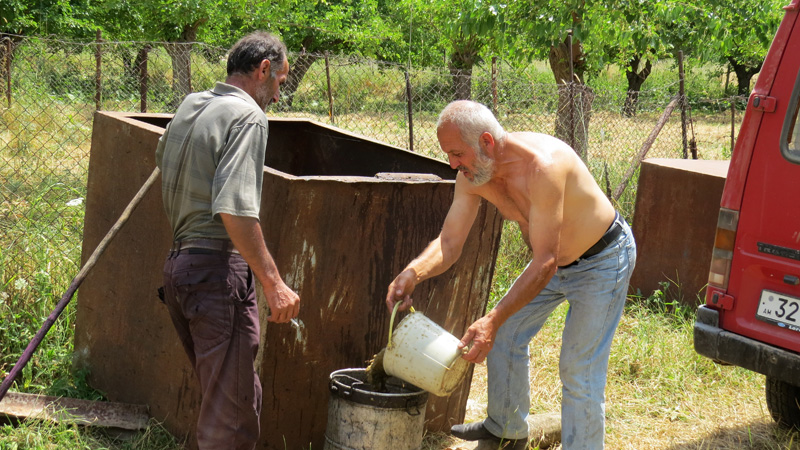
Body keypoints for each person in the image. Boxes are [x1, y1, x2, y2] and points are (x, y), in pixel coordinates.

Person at [385, 100, 636, 450]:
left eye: (457, 153)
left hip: (602, 259)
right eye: (448, 155)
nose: (453, 164)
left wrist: (492, 319)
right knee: (504, 332)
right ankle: (507, 433)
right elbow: (449, 242)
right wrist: (413, 272)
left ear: (487, 142)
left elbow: (545, 261)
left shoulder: (543, 167)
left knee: (578, 371)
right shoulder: (472, 176)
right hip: (552, 264)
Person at [155, 31, 300, 450]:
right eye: (280, 82)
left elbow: (162, 157)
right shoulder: (249, 117)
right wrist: (273, 283)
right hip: (216, 272)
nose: (278, 95)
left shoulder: (191, 105)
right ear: (264, 69)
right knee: (231, 420)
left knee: (233, 397)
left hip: (180, 270)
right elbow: (235, 209)